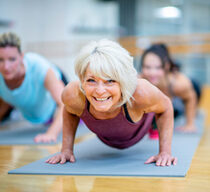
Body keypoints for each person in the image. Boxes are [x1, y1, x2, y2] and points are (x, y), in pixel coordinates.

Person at [46, 39, 177, 166]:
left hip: (140, 123)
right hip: (108, 135)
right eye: (91, 80)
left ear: (123, 81)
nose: (100, 91)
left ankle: (152, 125)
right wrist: (66, 150)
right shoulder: (72, 94)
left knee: (149, 99)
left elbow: (166, 107)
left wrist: (165, 152)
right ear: (82, 79)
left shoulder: (142, 92)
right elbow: (69, 110)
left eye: (110, 81)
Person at [0, 32, 68, 143]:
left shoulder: (40, 67)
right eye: (0, 60)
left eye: (12, 59)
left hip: (56, 84)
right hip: (31, 105)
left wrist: (51, 134)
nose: (6, 67)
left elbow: (64, 104)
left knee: (73, 107)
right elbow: (5, 99)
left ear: (21, 57)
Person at [140, 43, 200, 133]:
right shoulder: (140, 80)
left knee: (175, 111)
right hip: (164, 97)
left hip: (191, 89)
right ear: (142, 66)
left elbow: (190, 98)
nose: (152, 73)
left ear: (166, 66)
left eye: (158, 67)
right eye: (147, 67)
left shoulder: (179, 84)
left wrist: (190, 124)